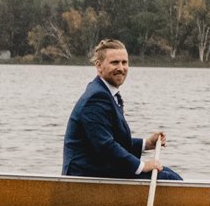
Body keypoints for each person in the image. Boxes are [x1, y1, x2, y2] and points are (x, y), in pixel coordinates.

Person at [63, 38, 181, 180]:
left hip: (102, 168)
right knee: (167, 178)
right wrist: (142, 166)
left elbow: (116, 140)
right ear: (99, 66)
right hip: (84, 176)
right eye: (114, 63)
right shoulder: (96, 98)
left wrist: (146, 143)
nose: (121, 68)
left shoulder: (109, 94)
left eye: (124, 62)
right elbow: (106, 146)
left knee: (168, 173)